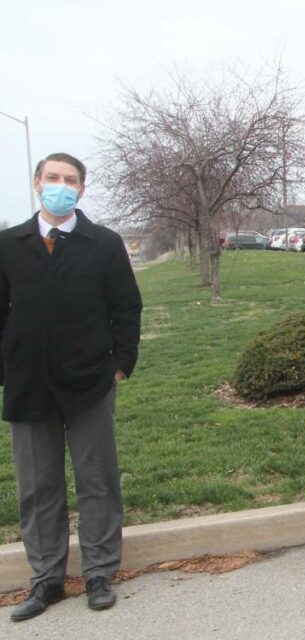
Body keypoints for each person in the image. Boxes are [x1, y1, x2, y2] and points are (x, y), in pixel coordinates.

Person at [0, 152, 142, 621]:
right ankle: (46, 580)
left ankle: (99, 572)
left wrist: (120, 363)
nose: (62, 185)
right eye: (53, 178)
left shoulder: (102, 243)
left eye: (71, 180)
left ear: (82, 190)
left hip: (89, 382)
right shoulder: (9, 244)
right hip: (27, 385)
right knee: (37, 488)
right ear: (37, 183)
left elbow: (126, 307)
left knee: (97, 479)